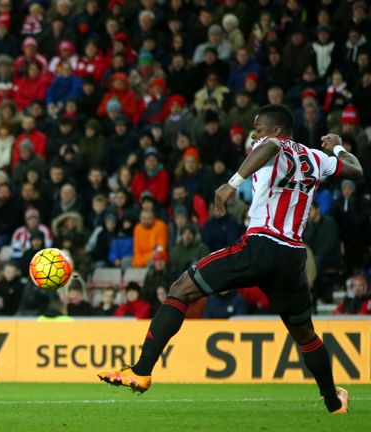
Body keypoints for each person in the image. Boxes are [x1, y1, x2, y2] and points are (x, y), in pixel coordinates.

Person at [98, 104, 362, 414]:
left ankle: (142, 370)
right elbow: (355, 170)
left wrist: (232, 183)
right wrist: (339, 146)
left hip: (261, 243)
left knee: (181, 289)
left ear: (275, 130)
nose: (255, 134)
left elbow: (274, 146)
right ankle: (334, 402)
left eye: (259, 129)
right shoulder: (317, 159)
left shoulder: (273, 144)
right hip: (292, 256)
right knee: (305, 333)